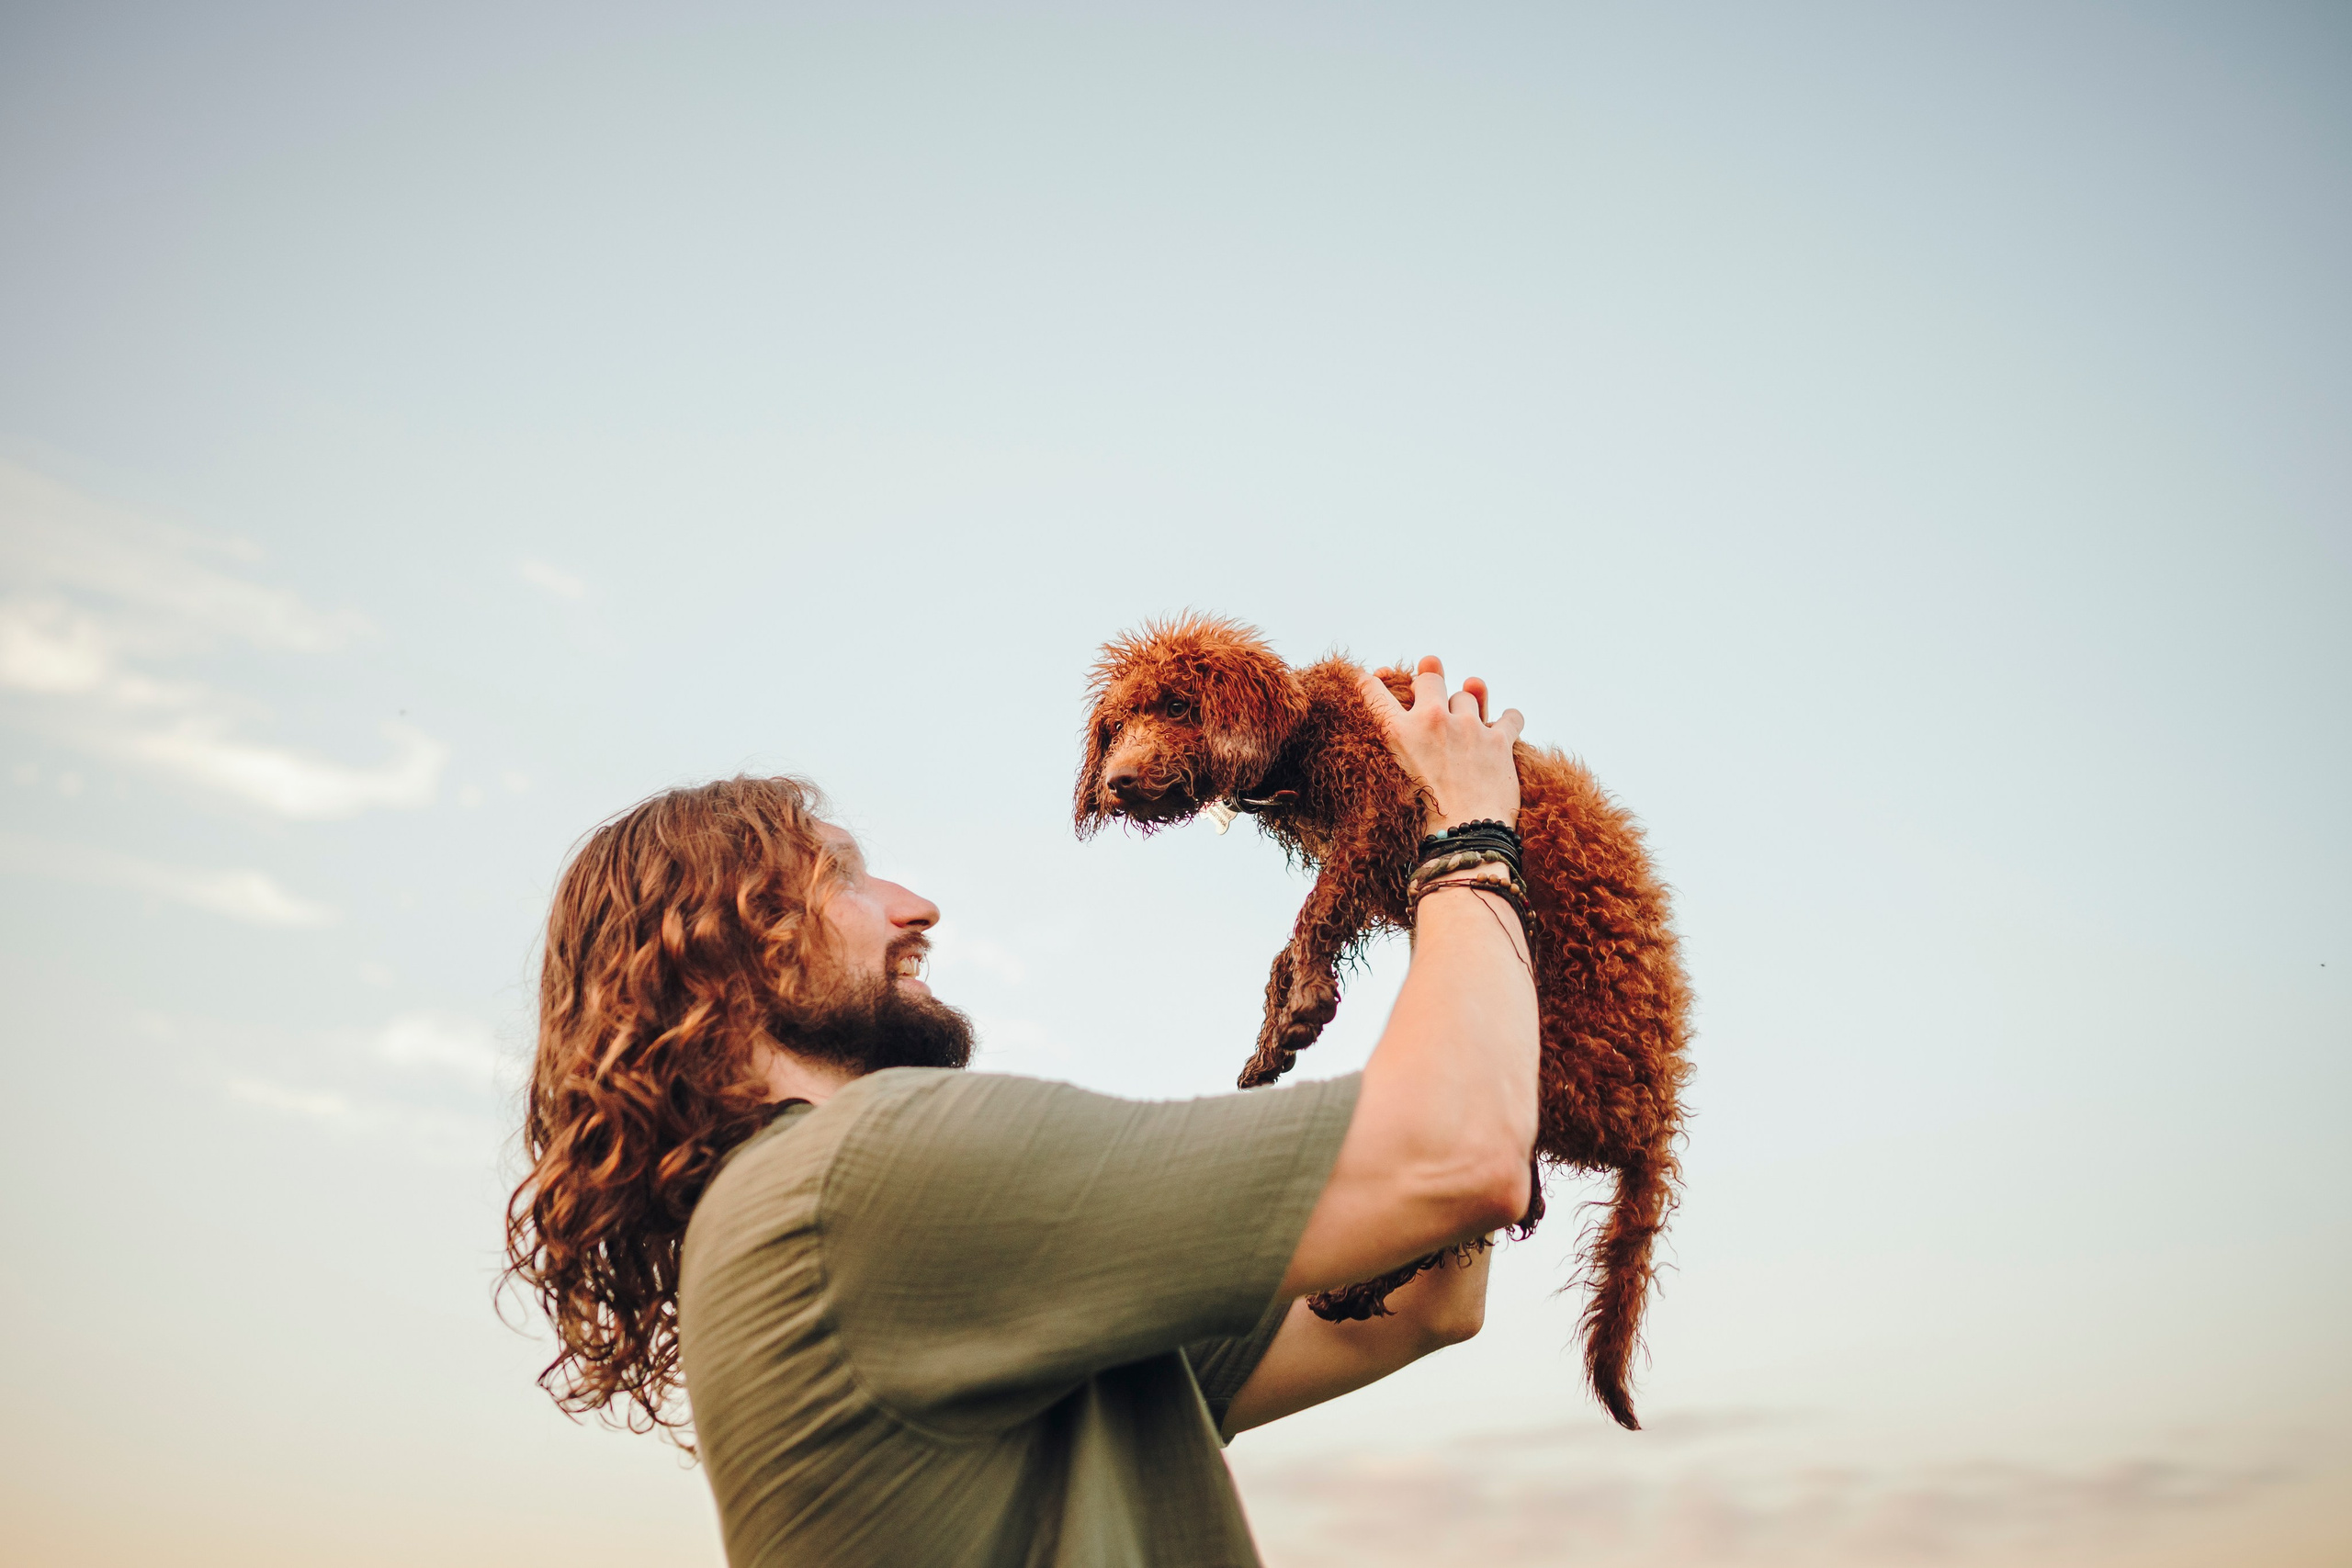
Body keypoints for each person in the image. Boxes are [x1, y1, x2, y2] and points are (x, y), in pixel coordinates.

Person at [504, 658, 1540, 1567]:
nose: (915, 906)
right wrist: (1465, 832)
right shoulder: (854, 1176)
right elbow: (1454, 1154)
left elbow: (1420, 1303)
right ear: (730, 944)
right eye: (844, 877)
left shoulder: (885, 1248)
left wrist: (1423, 894)